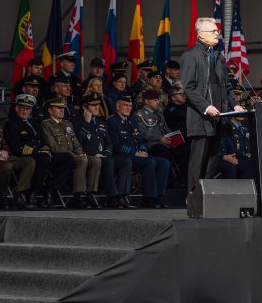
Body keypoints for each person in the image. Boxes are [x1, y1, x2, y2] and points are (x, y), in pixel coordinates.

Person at [180, 17, 243, 218]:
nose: (217, 34)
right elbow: (188, 88)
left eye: (217, 31)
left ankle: (206, 197)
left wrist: (235, 105)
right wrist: (206, 107)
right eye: (213, 31)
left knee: (213, 160)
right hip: (201, 116)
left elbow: (225, 87)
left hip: (220, 117)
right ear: (200, 34)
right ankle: (192, 198)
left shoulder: (219, 57)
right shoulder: (191, 56)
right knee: (198, 160)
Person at [4, 94, 73, 207]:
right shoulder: (11, 123)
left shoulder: (34, 122)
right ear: (16, 108)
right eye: (22, 108)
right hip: (25, 155)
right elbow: (15, 146)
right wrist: (37, 151)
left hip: (42, 154)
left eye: (28, 108)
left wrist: (46, 149)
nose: (25, 111)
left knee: (67, 158)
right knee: (43, 159)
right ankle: (33, 191)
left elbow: (43, 140)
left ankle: (51, 189)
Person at [108, 94, 169, 209]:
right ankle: (148, 198)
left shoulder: (131, 121)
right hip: (122, 156)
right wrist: (135, 153)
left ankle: (158, 197)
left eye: (130, 106)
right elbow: (116, 145)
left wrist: (143, 149)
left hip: (136, 156)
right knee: (149, 163)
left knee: (163, 163)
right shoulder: (112, 121)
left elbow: (140, 139)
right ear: (117, 106)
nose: (128, 108)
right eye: (125, 105)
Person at [41, 97, 100, 209]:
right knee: (82, 160)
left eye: (63, 108)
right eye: (58, 108)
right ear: (50, 110)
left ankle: (91, 193)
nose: (62, 110)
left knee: (96, 161)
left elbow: (76, 143)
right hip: (59, 157)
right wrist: (76, 155)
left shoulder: (67, 123)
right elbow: (53, 146)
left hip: (74, 156)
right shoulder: (46, 124)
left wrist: (80, 152)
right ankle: (78, 195)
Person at [73, 93, 130, 208]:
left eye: (98, 105)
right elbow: (78, 141)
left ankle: (122, 195)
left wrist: (105, 154)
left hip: (103, 156)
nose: (97, 107)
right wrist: (87, 122)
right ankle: (110, 197)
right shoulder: (77, 121)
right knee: (108, 162)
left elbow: (109, 143)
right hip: (88, 156)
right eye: (93, 105)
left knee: (126, 161)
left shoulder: (102, 122)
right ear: (85, 108)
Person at [217, 112, 253, 180]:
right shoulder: (226, 127)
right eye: (239, 111)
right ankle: (239, 189)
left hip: (245, 157)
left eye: (243, 111)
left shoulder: (245, 127)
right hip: (233, 157)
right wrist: (222, 156)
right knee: (248, 165)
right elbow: (221, 144)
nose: (242, 113)